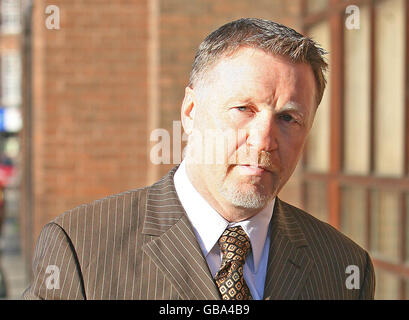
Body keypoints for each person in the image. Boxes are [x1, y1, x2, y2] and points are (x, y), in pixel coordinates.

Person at [23, 18, 375, 300]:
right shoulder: (81, 250)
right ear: (190, 112)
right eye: (243, 109)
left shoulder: (343, 267)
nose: (265, 139)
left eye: (288, 118)